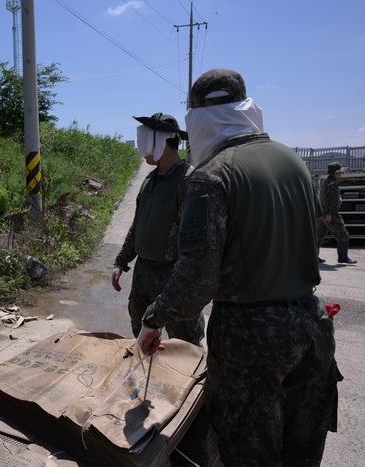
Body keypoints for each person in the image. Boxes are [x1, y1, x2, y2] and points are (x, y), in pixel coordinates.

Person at [137, 69, 339, 465]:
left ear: (197, 118)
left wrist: (154, 318)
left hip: (251, 340)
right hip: (312, 326)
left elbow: (196, 279)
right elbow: (315, 237)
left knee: (248, 453)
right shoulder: (293, 162)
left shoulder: (212, 176)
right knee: (302, 450)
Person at [110, 112, 204, 345]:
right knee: (142, 337)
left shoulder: (189, 181)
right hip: (144, 275)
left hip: (174, 279)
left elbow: (199, 246)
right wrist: (121, 262)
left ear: (160, 141)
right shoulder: (150, 181)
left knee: (185, 344)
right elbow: (137, 224)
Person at [317, 161, 357, 264]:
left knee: (318, 236)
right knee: (343, 235)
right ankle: (343, 258)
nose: (341, 174)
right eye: (340, 172)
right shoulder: (332, 183)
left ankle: (313, 257)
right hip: (331, 215)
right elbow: (329, 198)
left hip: (322, 214)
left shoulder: (326, 182)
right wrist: (329, 214)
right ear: (336, 172)